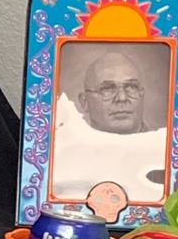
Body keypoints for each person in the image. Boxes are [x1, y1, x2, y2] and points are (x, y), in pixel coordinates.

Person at [49, 44, 170, 210]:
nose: (122, 98)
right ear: (84, 102)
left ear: (142, 94)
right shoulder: (63, 159)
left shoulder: (164, 154)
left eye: (131, 87)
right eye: (107, 89)